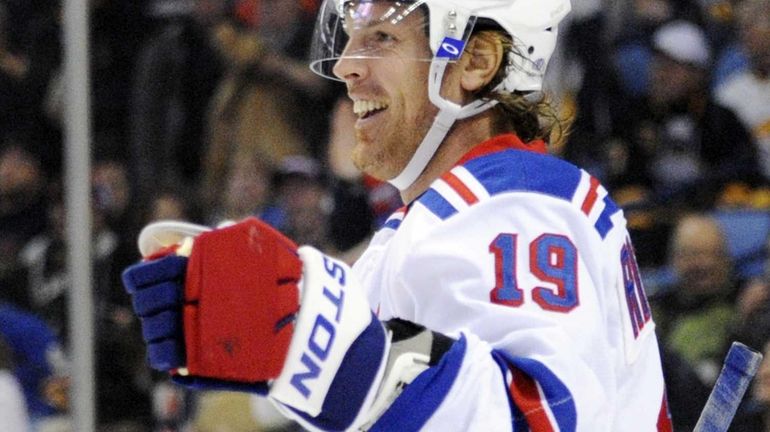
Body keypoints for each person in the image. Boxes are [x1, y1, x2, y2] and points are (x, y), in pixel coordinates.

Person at [122, 1, 673, 430]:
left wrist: (314, 342)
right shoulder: (438, 220)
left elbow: (539, 418)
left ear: (476, 61)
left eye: (381, 39)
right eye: (351, 39)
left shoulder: (522, 204)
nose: (345, 67)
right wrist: (285, 340)